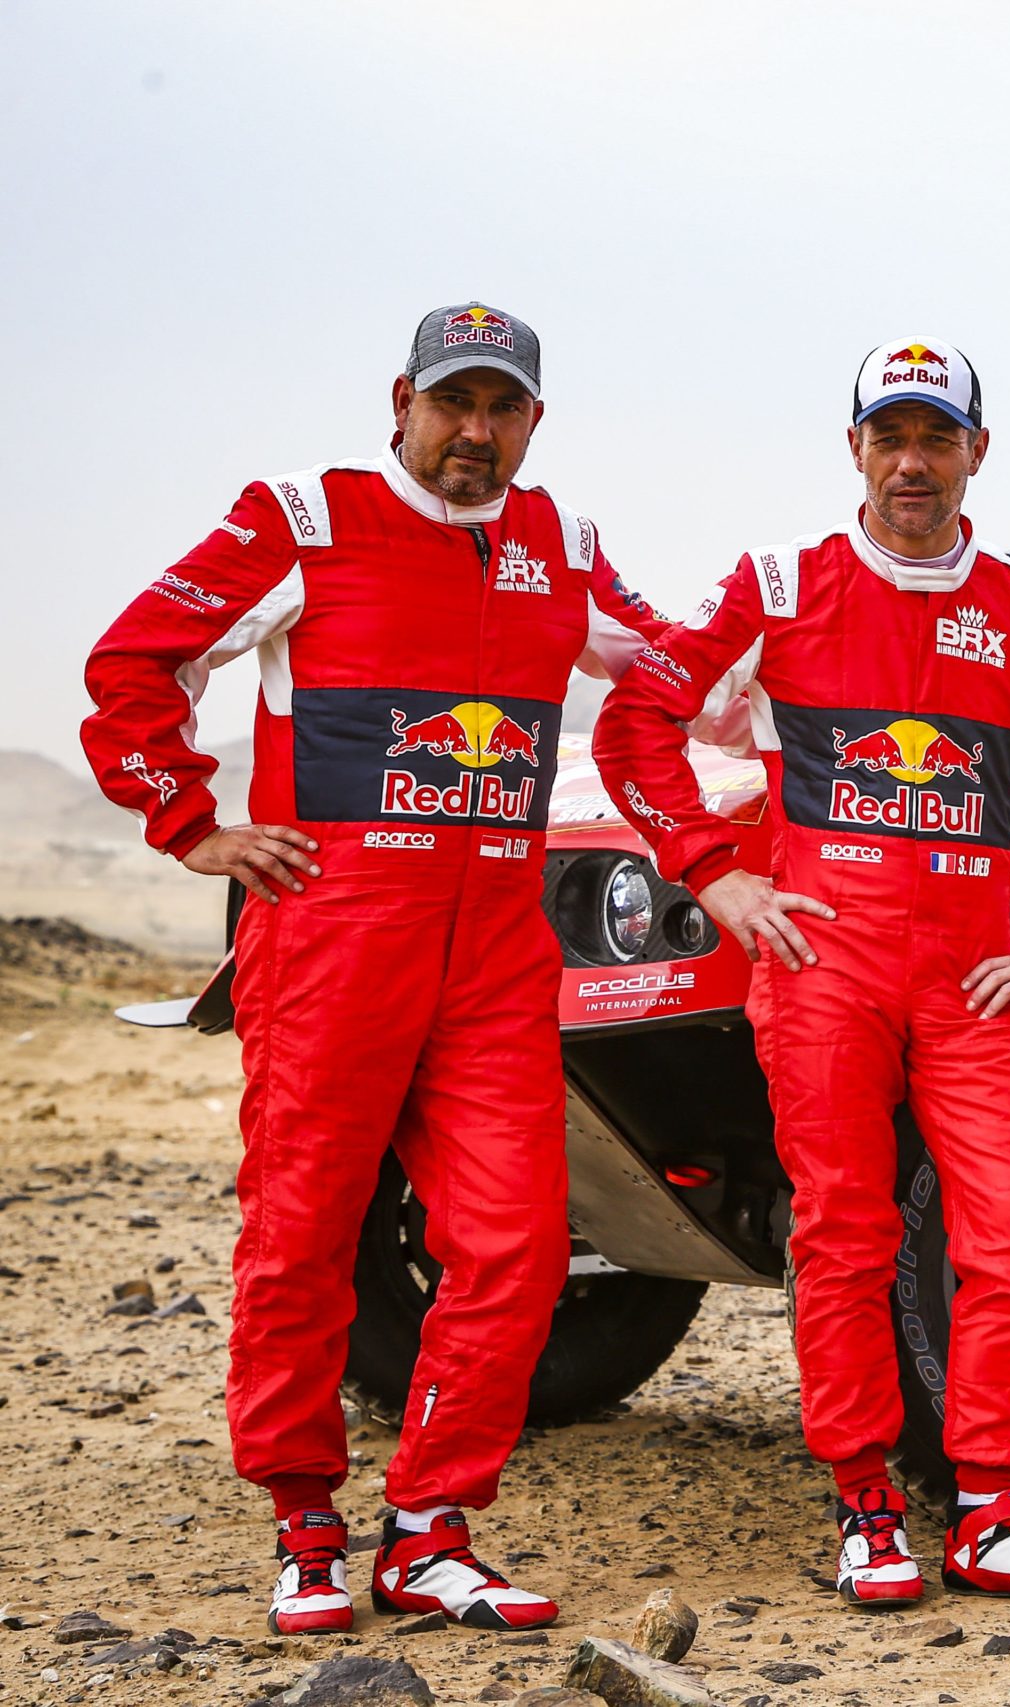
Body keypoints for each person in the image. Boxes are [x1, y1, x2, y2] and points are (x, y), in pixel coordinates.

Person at [81, 303, 667, 1634]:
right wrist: (192, 822)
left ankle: (428, 1529)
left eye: (501, 407)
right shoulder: (301, 518)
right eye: (452, 402)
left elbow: (679, 660)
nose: (474, 432)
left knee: (517, 1242)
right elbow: (133, 660)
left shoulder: (558, 544)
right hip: (332, 944)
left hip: (496, 959)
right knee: (304, 1235)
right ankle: (302, 1518)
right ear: (401, 400)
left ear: (532, 421)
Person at [593, 338, 1010, 1605]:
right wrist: (712, 871)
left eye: (938, 438)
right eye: (888, 438)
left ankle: (990, 1514)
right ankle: (864, 1505)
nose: (913, 464)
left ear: (978, 450)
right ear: (853, 448)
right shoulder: (777, 584)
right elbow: (636, 720)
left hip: (972, 972)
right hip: (823, 964)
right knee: (844, 1234)